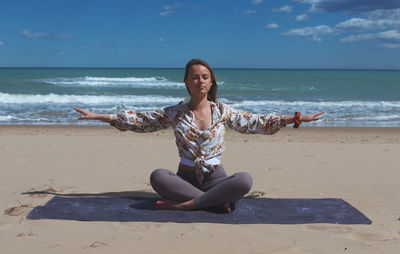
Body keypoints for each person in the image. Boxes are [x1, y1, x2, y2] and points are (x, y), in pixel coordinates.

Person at [74, 59, 324, 213]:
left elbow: (255, 122)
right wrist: (100, 116)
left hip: (216, 179)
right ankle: (214, 203)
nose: (200, 81)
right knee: (158, 176)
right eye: (195, 77)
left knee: (245, 180)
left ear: (211, 82)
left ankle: (186, 206)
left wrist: (295, 118)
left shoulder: (223, 111)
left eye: (205, 77)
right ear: (186, 82)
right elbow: (141, 119)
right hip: (184, 179)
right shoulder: (175, 112)